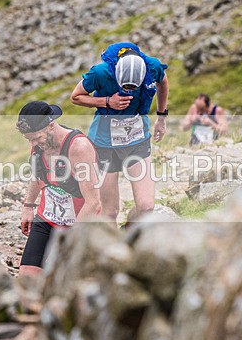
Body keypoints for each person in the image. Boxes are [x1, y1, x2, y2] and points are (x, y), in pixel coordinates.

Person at [70, 42, 169, 222]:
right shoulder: (101, 72)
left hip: (137, 140)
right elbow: (75, 97)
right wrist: (107, 101)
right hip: (104, 144)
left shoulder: (152, 66)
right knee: (110, 212)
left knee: (146, 206)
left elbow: (163, 81)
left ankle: (129, 232)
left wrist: (161, 118)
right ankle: (113, 240)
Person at [17, 101, 101, 275]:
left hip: (78, 224)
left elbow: (94, 203)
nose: (33, 144)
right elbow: (38, 175)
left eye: (36, 138)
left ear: (51, 125)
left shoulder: (78, 147)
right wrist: (28, 206)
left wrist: (71, 239)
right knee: (27, 277)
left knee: (64, 280)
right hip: (47, 218)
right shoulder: (40, 145)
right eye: (29, 139)